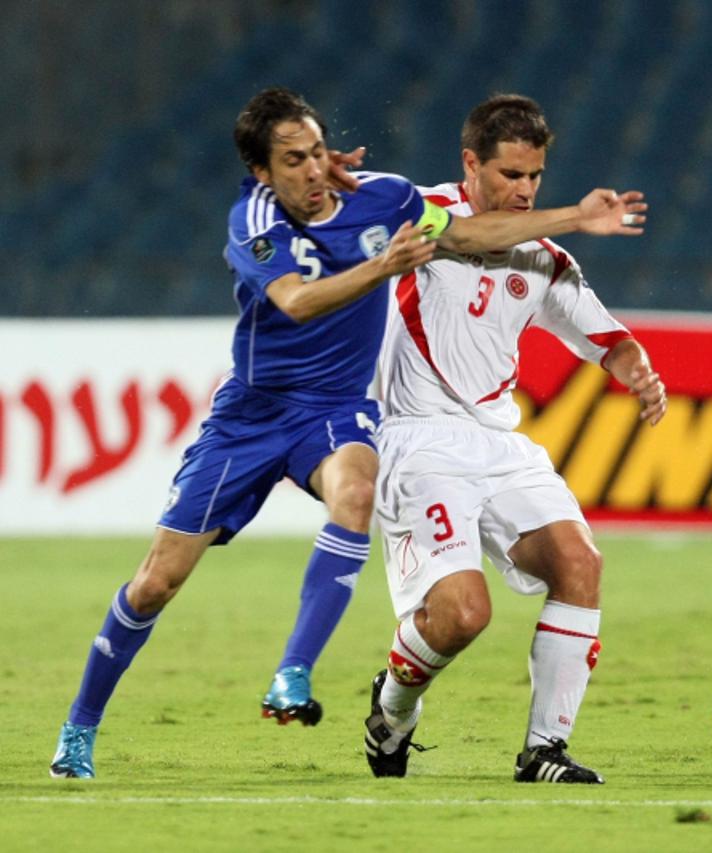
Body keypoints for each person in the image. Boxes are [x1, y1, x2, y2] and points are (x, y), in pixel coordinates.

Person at [49, 87, 646, 779]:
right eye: (291, 160)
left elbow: (462, 233)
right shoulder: (252, 221)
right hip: (250, 416)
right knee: (155, 582)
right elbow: (296, 303)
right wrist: (382, 267)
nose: (308, 171)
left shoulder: (384, 199)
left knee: (357, 490)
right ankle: (79, 728)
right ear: (262, 173)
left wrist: (575, 217)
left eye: (314, 154)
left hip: (335, 411)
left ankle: (294, 674)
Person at [360, 94, 666, 784]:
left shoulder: (547, 260)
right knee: (463, 614)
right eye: (509, 174)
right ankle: (392, 705)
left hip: (500, 443)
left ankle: (544, 750)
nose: (524, 189)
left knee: (580, 564)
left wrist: (639, 372)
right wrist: (579, 216)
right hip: (421, 441)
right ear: (469, 163)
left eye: (534, 176)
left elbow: (607, 337)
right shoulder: (416, 212)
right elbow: (473, 237)